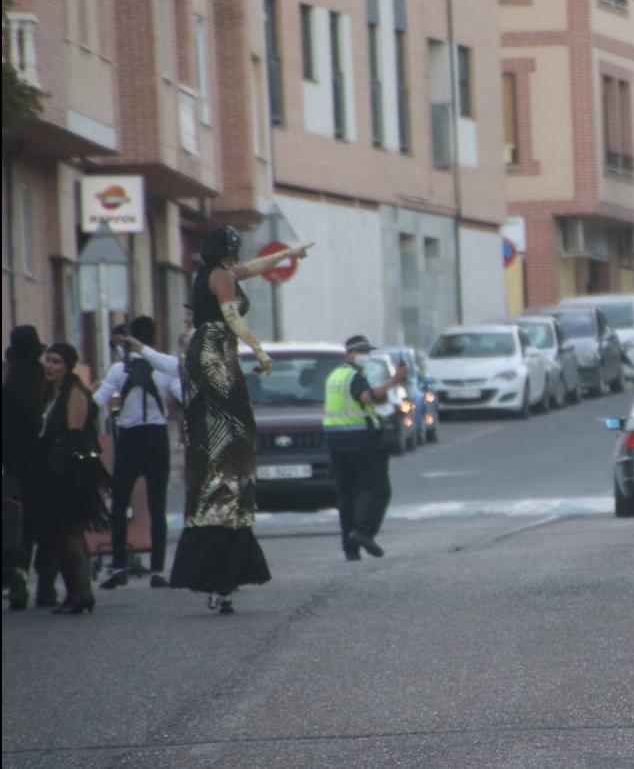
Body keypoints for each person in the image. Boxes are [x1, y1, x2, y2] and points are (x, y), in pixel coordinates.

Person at [169, 226, 311, 614]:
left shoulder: (215, 274)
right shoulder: (221, 278)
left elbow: (253, 267)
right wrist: (260, 352)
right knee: (230, 441)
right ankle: (223, 510)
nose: (239, 253)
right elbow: (232, 317)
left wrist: (287, 254)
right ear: (227, 249)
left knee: (221, 442)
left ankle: (219, 557)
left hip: (208, 354)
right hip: (216, 355)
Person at [94, 316, 182, 589]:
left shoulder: (119, 370)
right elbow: (184, 395)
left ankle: (119, 566)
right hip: (156, 437)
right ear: (154, 338)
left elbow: (98, 401)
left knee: (119, 504)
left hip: (129, 438)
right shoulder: (165, 369)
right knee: (157, 504)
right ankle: (158, 570)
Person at [39, 342, 110, 615]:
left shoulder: (74, 392)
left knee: (71, 532)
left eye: (56, 362)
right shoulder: (52, 394)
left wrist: (61, 468)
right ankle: (72, 592)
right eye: (48, 361)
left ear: (67, 366)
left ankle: (83, 592)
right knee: (58, 534)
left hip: (71, 472)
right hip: (53, 471)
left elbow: (74, 436)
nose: (50, 366)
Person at [324, 335, 407, 560]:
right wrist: (395, 380)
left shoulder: (334, 376)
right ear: (350, 353)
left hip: (336, 442)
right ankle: (363, 532)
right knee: (378, 489)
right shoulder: (354, 376)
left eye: (367, 351)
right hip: (359, 440)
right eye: (362, 351)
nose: (366, 355)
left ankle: (350, 548)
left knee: (347, 495)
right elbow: (367, 397)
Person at [2, 325, 58, 609]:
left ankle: (18, 579)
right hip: (44, 461)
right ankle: (46, 585)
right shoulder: (44, 380)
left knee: (17, 525)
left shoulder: (7, 384)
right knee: (46, 523)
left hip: (13, 465)